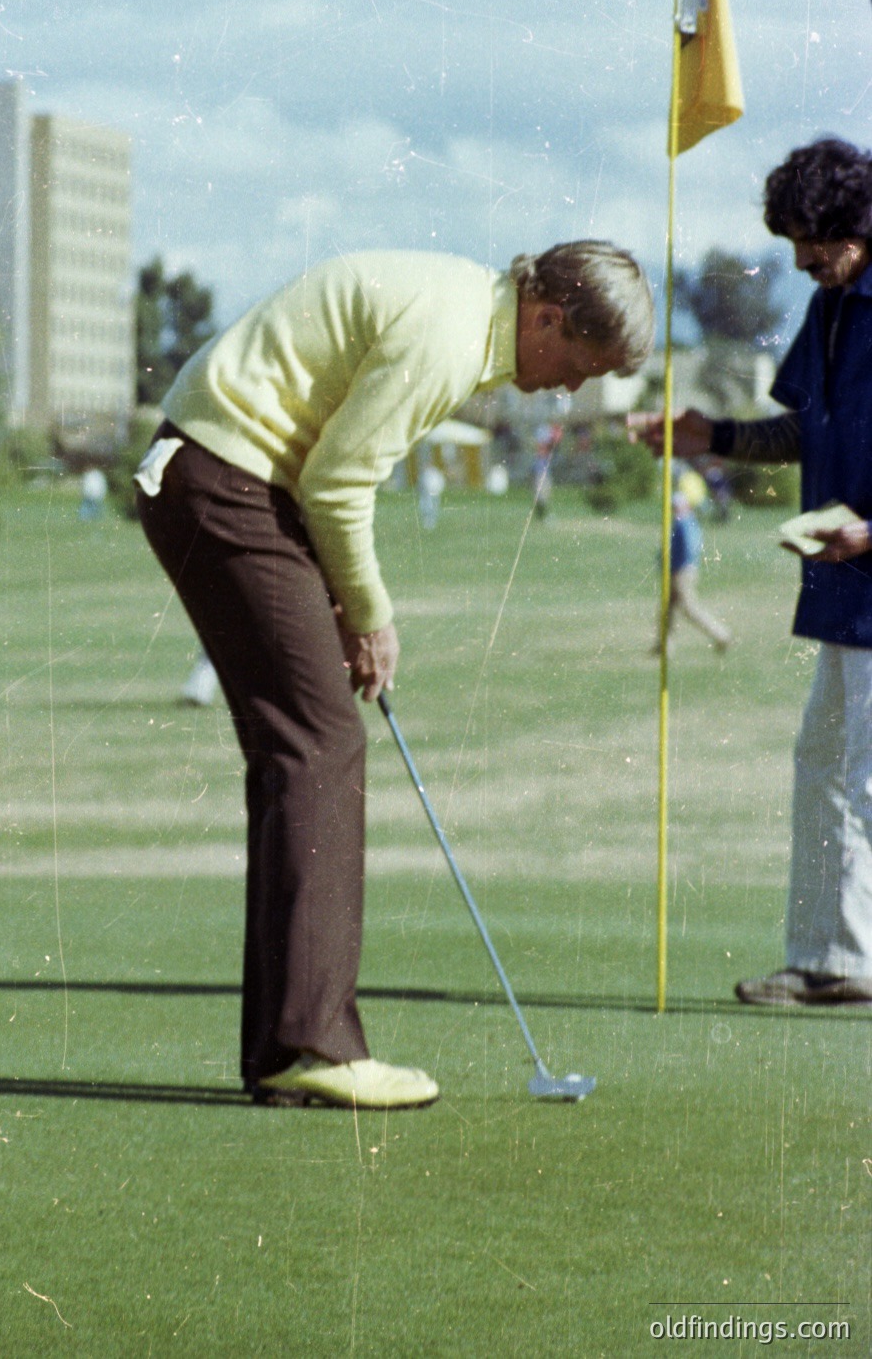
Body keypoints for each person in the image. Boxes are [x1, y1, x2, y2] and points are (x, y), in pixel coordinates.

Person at [135, 242, 655, 1106]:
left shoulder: (468, 314)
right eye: (576, 365)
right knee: (322, 742)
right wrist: (370, 615)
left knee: (298, 747)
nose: (568, 389)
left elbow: (324, 475)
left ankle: (285, 1048)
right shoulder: (450, 339)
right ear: (548, 317)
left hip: (226, 474)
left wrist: (345, 597)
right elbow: (339, 482)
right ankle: (313, 1045)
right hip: (227, 477)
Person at [633, 137, 872, 1007]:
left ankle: (841, 962)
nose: (803, 260)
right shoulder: (834, 308)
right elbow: (800, 432)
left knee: (858, 775)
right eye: (794, 244)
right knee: (827, 765)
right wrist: (713, 437)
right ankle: (831, 960)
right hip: (846, 592)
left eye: (816, 240)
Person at [657, 488, 732, 653]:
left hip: (682, 572)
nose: (674, 509)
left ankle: (721, 635)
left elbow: (689, 549)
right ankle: (664, 645)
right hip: (678, 570)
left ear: (685, 506)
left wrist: (677, 567)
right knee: (667, 608)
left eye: (677, 506)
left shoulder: (685, 522)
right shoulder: (682, 522)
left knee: (688, 608)